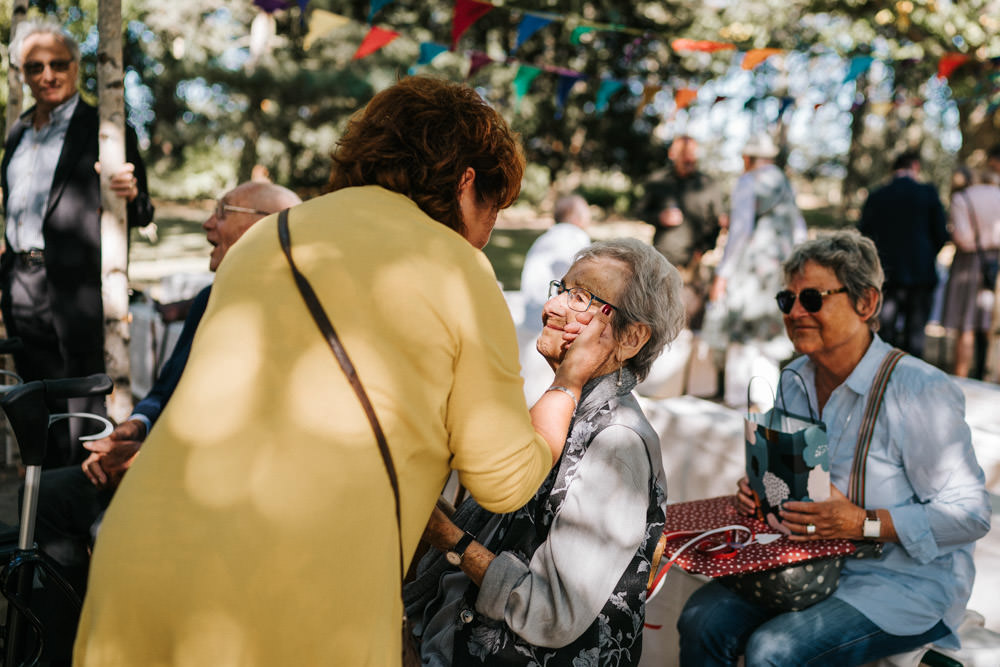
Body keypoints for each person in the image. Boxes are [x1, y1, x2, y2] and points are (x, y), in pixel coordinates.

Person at [74, 76, 617, 666]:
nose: (487, 234)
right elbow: (506, 481)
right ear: (466, 183)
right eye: (494, 207)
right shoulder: (459, 270)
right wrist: (567, 385)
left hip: (142, 555)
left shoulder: (270, 236)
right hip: (290, 590)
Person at [677, 230, 991, 666]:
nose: (796, 312)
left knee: (774, 650)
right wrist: (762, 489)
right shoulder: (796, 378)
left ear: (867, 303)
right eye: (787, 301)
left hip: (902, 583)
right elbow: (799, 480)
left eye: (813, 298)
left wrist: (863, 523)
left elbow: (970, 514)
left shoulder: (919, 390)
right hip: (807, 568)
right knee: (700, 617)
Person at [19, 181, 300, 664]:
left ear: (264, 226)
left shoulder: (289, 310)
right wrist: (133, 431)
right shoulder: (211, 297)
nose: (207, 224)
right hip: (165, 460)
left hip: (224, 483)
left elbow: (256, 424)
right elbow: (166, 390)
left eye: (220, 212)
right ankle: (61, 646)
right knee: (45, 496)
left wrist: (154, 461)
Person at [405, 238, 685, 665]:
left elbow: (551, 611)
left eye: (581, 298)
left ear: (631, 339)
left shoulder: (616, 442)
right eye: (562, 289)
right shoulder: (567, 409)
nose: (553, 307)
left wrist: (449, 537)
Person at [0, 17, 155, 468]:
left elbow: (142, 211)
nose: (47, 75)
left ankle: (77, 521)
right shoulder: (17, 133)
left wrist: (130, 194)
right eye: (34, 67)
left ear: (76, 65)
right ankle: (38, 515)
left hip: (76, 291)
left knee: (78, 418)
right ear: (22, 74)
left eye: (58, 64)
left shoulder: (105, 126)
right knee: (34, 410)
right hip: (20, 288)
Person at [705, 133, 807, 406]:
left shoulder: (748, 182)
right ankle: (765, 400)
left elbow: (740, 231)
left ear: (749, 157)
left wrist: (723, 273)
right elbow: (799, 228)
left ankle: (736, 401)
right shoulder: (785, 183)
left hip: (750, 268)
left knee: (741, 332)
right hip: (781, 268)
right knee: (770, 332)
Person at [859, 150, 948, 360]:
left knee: (883, 333)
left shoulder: (877, 195)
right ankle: (911, 383)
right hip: (921, 272)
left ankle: (881, 379)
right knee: (915, 336)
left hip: (885, 274)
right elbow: (941, 234)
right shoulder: (928, 193)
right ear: (915, 166)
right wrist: (926, 256)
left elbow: (864, 236)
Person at [638, 135, 727, 329]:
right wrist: (660, 217)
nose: (690, 161)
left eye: (693, 157)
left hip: (694, 262)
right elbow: (640, 211)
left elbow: (717, 221)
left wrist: (704, 248)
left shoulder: (708, 184)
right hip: (663, 257)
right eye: (685, 157)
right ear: (673, 155)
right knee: (658, 314)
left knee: (692, 315)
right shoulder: (658, 180)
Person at [941, 167, 1000, 378]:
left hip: (969, 263)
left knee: (965, 322)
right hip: (995, 262)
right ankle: (988, 374)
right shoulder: (998, 195)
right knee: (990, 321)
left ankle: (961, 376)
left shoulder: (963, 198)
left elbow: (963, 238)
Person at [519, 194, 592, 328]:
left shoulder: (544, 239)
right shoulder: (575, 236)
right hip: (553, 317)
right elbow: (590, 275)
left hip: (531, 313)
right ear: (576, 217)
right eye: (587, 213)